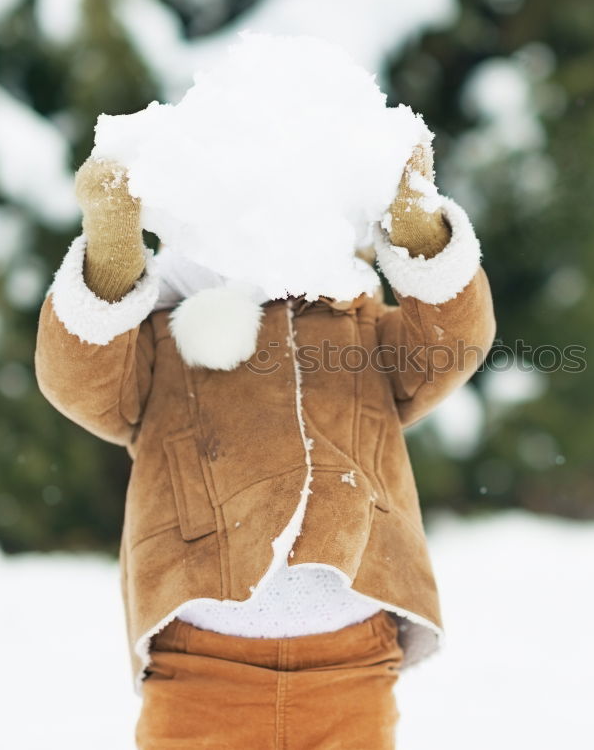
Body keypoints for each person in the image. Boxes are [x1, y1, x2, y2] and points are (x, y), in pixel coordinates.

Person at [34, 141, 495, 749]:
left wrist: (418, 223)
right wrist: (111, 251)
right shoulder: (165, 339)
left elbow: (453, 344)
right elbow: (79, 381)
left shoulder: (358, 326)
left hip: (350, 667)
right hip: (199, 673)